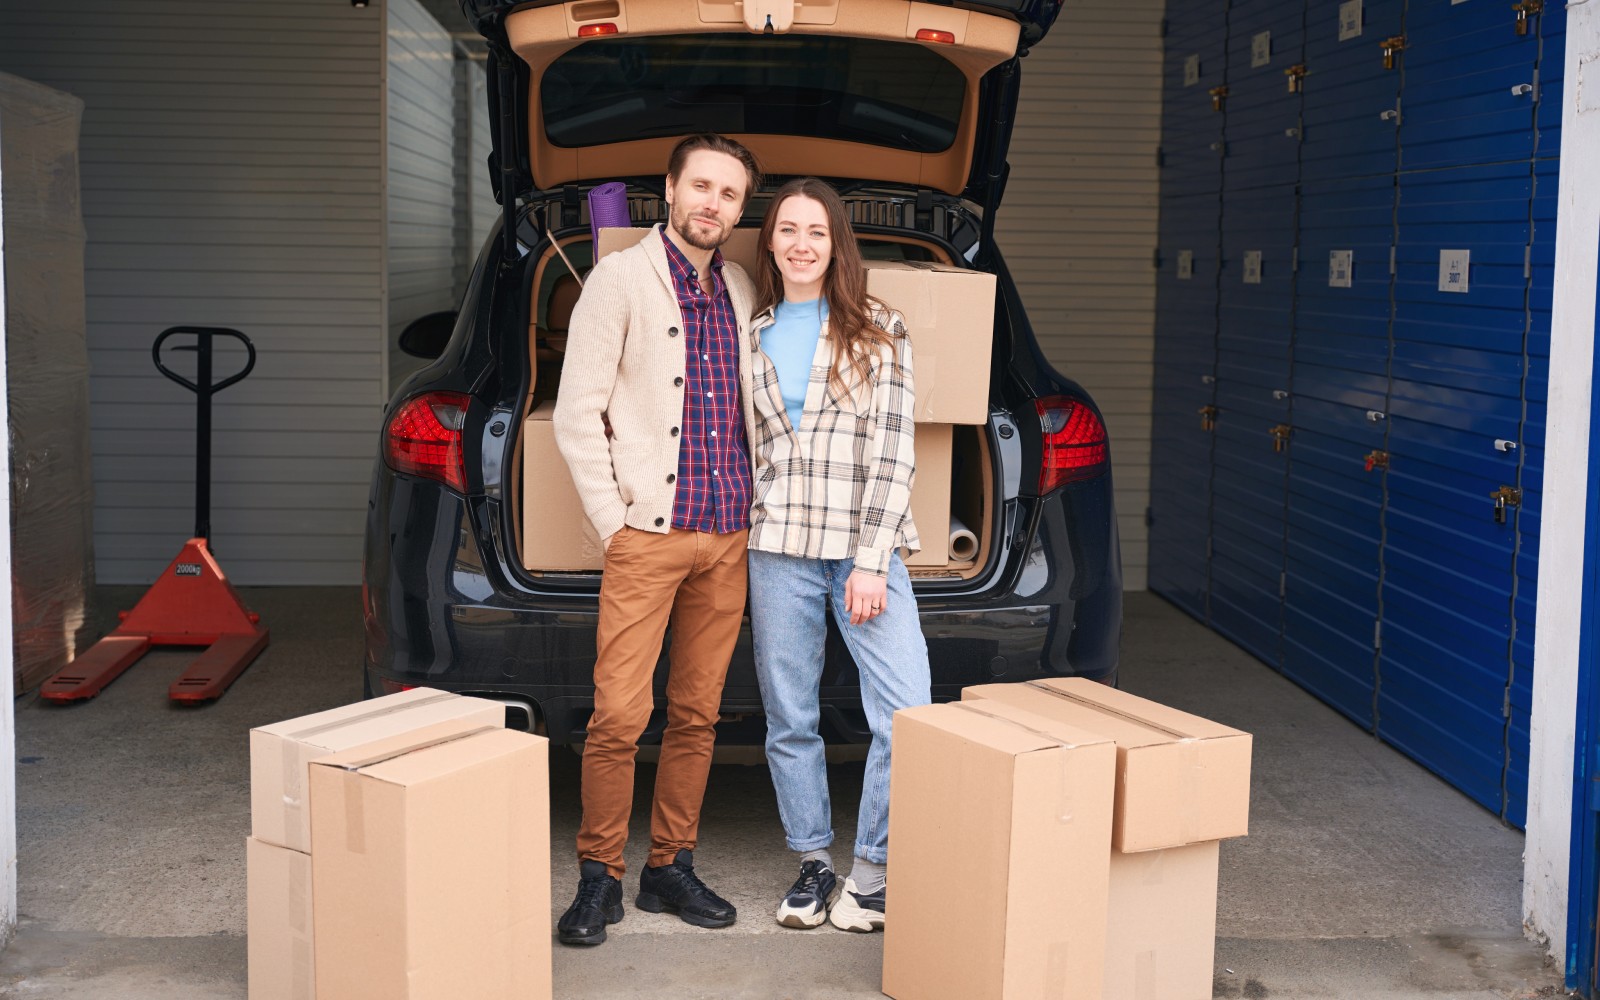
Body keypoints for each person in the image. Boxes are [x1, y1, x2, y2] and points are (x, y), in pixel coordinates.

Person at [551, 133, 762, 946]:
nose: (713, 203)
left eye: (730, 194)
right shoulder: (618, 280)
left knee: (698, 713)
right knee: (617, 714)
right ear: (668, 190)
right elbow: (577, 415)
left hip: (728, 535)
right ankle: (598, 876)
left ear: (741, 210)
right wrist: (614, 524)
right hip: (648, 535)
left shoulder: (741, 286)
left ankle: (668, 866)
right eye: (701, 186)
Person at [744, 177, 932, 933]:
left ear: (836, 243)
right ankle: (815, 863)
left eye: (816, 232)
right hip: (777, 548)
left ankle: (874, 872)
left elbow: (894, 452)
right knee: (789, 717)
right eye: (786, 229)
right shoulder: (749, 331)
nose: (799, 244)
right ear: (769, 242)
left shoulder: (878, 327)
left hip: (861, 549)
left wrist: (870, 558)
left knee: (905, 712)